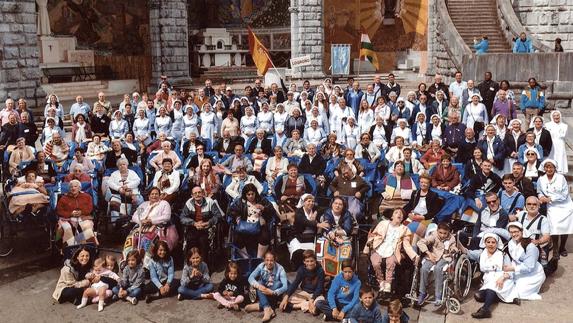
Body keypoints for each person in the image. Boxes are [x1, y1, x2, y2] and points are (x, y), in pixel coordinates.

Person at [364, 209, 418, 293]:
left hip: (393, 250)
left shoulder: (405, 229)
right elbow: (373, 235)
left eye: (401, 214)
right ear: (392, 216)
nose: (399, 214)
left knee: (391, 262)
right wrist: (368, 246)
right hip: (379, 247)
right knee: (375, 262)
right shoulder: (383, 224)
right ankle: (381, 281)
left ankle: (388, 283)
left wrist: (414, 256)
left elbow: (406, 245)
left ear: (402, 218)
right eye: (396, 212)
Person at [471, 233, 518, 319]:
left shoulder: (503, 255)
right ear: (485, 243)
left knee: (491, 287)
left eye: (493, 242)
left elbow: (511, 270)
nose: (491, 244)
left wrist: (503, 277)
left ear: (497, 243)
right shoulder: (482, 254)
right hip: (489, 279)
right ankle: (502, 298)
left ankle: (485, 310)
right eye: (488, 242)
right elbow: (468, 253)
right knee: (478, 296)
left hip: (503, 279)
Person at [229, 183, 276, 258]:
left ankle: (259, 257)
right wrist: (237, 217)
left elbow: (272, 211)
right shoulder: (240, 201)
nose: (251, 196)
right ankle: (246, 257)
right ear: (245, 194)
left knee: (265, 236)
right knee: (237, 237)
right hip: (245, 225)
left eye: (252, 194)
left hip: (259, 225)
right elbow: (231, 211)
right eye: (248, 194)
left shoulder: (262, 200)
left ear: (255, 193)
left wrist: (263, 208)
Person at [537, 159, 573, 258]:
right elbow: (539, 191)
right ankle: (556, 250)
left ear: (554, 168)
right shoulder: (541, 179)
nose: (549, 169)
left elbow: (565, 194)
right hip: (552, 206)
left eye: (551, 167)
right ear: (544, 168)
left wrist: (550, 198)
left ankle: (562, 247)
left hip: (565, 205)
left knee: (565, 227)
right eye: (547, 167)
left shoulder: (561, 178)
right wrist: (541, 197)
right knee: (554, 227)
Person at [416, 222, 458, 307]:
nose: (442, 235)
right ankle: (422, 292)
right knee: (424, 268)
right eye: (440, 233)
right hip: (433, 256)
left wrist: (453, 250)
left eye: (445, 233)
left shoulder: (451, 238)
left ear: (448, 232)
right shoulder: (434, 236)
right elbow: (420, 243)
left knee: (438, 269)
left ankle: (438, 294)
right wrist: (429, 253)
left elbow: (453, 246)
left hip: (445, 257)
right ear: (437, 231)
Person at [504, 222, 546, 300]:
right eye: (511, 232)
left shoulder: (530, 247)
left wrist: (512, 268)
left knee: (518, 293)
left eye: (516, 232)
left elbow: (529, 267)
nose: (513, 234)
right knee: (506, 284)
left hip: (533, 273)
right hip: (517, 268)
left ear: (522, 231)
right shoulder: (511, 243)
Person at [180, 186, 223, 260]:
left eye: (199, 192)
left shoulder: (210, 201)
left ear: (203, 193)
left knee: (203, 241)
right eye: (195, 193)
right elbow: (182, 218)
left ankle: (204, 265)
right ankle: (191, 264)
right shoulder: (189, 203)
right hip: (193, 227)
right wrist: (194, 223)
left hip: (207, 228)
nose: (197, 195)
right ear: (192, 195)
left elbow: (218, 216)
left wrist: (208, 223)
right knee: (190, 240)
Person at [245, 251, 288, 322]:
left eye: (271, 260)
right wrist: (258, 286)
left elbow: (285, 286)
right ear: (264, 260)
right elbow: (250, 277)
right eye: (267, 260)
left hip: (274, 290)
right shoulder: (261, 266)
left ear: (275, 260)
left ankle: (260, 306)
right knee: (259, 283)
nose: (269, 263)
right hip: (264, 290)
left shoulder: (280, 268)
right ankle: (267, 308)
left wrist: (273, 292)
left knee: (278, 284)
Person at [279, 250, 325, 314]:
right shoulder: (301, 269)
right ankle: (308, 306)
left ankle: (300, 305)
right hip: (304, 293)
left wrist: (312, 299)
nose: (309, 263)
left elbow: (319, 288)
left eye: (312, 261)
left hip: (315, 294)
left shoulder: (320, 271)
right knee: (285, 295)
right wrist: (286, 297)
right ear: (304, 262)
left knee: (320, 302)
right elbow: (295, 283)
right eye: (307, 261)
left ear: (315, 260)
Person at [509, 196, 551, 266]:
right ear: (525, 205)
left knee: (541, 268)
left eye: (534, 204)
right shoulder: (521, 214)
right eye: (529, 204)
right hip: (522, 245)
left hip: (537, 247)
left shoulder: (543, 220)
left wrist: (537, 241)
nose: (531, 206)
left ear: (539, 206)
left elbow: (547, 237)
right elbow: (510, 218)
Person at [55, 179, 95, 248]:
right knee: (67, 228)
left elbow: (90, 208)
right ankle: (70, 248)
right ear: (69, 189)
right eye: (71, 187)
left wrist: (81, 212)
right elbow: (59, 211)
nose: (73, 188)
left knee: (87, 227)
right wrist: (70, 213)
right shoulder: (63, 198)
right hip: (67, 218)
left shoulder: (87, 196)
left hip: (83, 217)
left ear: (79, 188)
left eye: (75, 186)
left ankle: (84, 247)